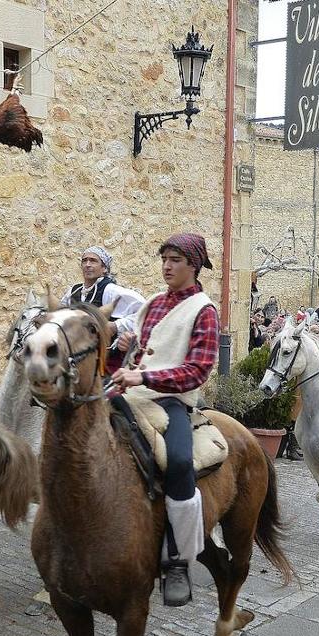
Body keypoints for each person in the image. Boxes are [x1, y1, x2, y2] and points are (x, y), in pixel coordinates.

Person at [109, 234, 218, 607]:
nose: (167, 266)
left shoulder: (204, 309)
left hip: (172, 401)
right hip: (129, 394)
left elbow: (197, 371)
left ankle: (178, 562)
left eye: (175, 259)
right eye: (164, 259)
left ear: (194, 265)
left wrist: (145, 377)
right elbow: (134, 356)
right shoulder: (152, 303)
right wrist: (123, 352)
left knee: (180, 462)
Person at [59, 245, 144, 371]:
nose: (87, 264)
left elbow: (143, 310)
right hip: (74, 358)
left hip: (103, 362)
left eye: (93, 261)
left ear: (104, 268)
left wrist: (116, 326)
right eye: (84, 260)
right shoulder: (74, 291)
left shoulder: (110, 290)